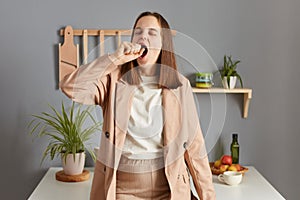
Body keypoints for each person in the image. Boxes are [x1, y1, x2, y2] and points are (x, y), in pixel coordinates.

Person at [60, 11, 215, 200]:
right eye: (138, 32)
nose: (143, 37)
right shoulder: (113, 80)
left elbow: (195, 146)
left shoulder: (180, 86)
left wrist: (209, 197)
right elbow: (70, 87)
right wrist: (113, 59)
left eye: (152, 33)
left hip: (170, 187)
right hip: (124, 189)